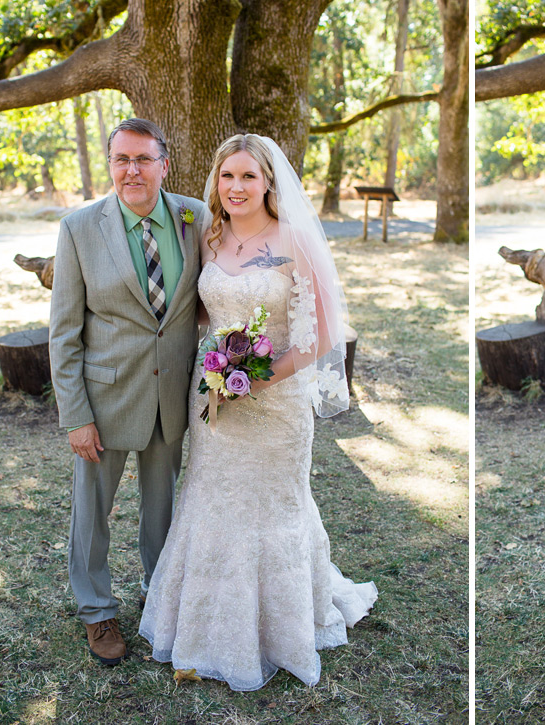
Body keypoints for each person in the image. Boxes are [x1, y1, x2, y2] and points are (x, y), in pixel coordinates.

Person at [139, 133, 376, 691]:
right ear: (215, 185)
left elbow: (320, 333)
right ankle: (205, 625)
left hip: (278, 406)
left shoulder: (294, 240)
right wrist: (220, 374)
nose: (237, 187)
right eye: (227, 177)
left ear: (269, 181)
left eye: (248, 176)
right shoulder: (208, 238)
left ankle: (281, 629)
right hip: (215, 404)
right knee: (212, 502)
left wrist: (257, 377)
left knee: (273, 509)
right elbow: (193, 313)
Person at [50, 118, 210, 665]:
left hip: (173, 397)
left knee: (163, 509)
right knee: (92, 513)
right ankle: (97, 612)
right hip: (104, 398)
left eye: (143, 159)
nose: (131, 170)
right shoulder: (77, 229)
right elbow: (64, 333)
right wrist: (76, 416)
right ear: (110, 164)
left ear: (165, 164)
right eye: (121, 159)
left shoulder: (195, 216)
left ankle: (159, 597)